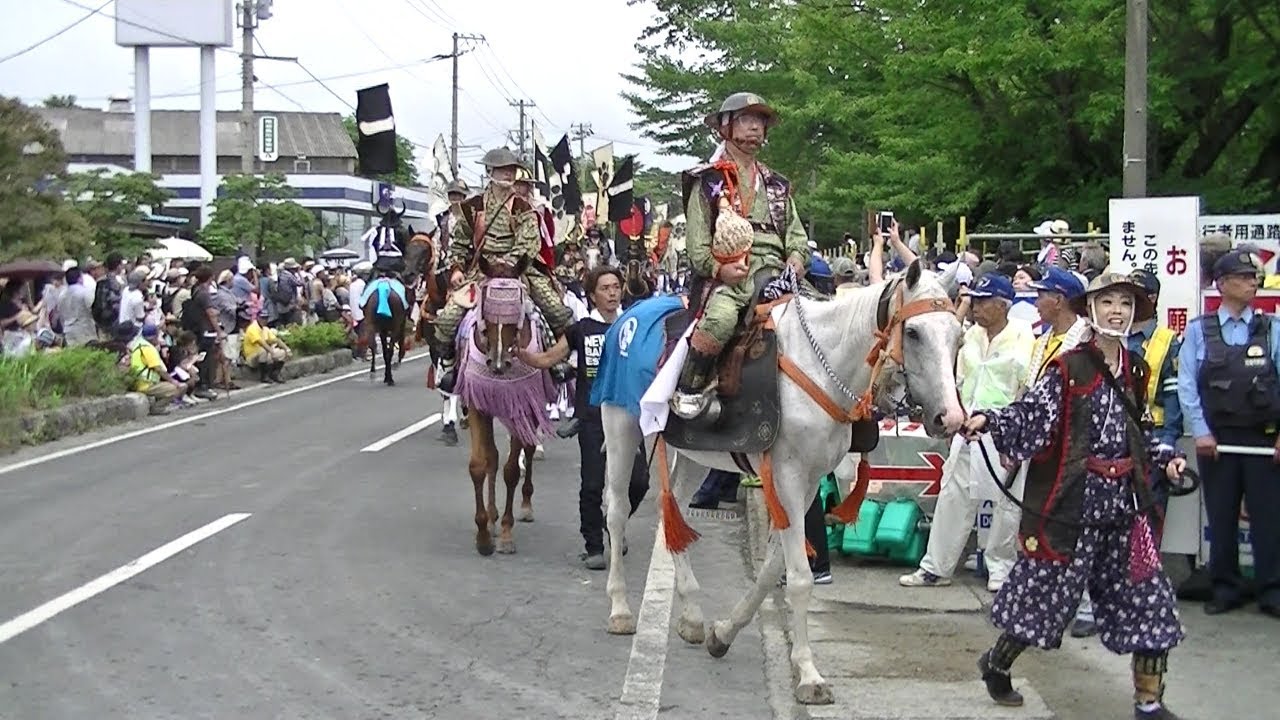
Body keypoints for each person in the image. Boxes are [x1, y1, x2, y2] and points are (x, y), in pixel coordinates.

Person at [963, 273, 1188, 720]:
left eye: (1125, 302)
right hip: (1071, 506)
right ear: (1091, 309)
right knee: (1042, 601)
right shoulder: (1068, 367)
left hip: (1126, 507)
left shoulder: (1136, 368)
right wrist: (991, 421)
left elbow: (1138, 431)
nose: (1117, 311)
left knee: (1149, 601)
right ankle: (997, 662)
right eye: (1107, 302)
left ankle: (1149, 700)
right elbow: (1034, 415)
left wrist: (1165, 457)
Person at [671, 92, 809, 422]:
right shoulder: (707, 180)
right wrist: (720, 268)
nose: (756, 129)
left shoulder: (777, 184)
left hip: (778, 273)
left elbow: (797, 235)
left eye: (760, 122)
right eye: (747, 120)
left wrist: (797, 260)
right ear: (726, 126)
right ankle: (690, 386)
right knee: (720, 319)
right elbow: (697, 247)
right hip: (733, 275)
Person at [900, 273, 1033, 591]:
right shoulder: (968, 336)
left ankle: (1000, 569)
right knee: (952, 496)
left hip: (1003, 428)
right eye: (974, 300)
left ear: (1003, 305)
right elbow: (954, 380)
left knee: (1006, 503)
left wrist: (1015, 430)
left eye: (984, 301)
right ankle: (936, 567)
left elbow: (1026, 385)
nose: (976, 307)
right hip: (967, 425)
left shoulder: (1023, 335)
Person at [516, 266, 649, 570]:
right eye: (605, 288)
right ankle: (594, 546)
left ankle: (613, 519)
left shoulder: (633, 325)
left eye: (616, 286)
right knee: (592, 484)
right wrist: (521, 355)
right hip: (592, 418)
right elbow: (549, 358)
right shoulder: (582, 329)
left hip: (629, 417)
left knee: (639, 481)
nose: (612, 293)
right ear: (592, 295)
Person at [1176, 249, 1280, 618]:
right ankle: (1225, 586)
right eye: (1243, 277)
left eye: (1254, 277)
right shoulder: (1198, 330)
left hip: (1264, 438)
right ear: (1222, 284)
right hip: (1216, 439)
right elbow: (1187, 385)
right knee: (1220, 517)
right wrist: (1201, 433)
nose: (1252, 282)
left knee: (1269, 518)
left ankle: (1271, 590)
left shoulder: (1272, 328)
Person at [433, 147, 573, 393]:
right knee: (446, 319)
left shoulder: (523, 206)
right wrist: (456, 268)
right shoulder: (470, 207)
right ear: (490, 171)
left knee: (557, 311)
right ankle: (449, 367)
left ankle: (558, 362)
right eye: (503, 169)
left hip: (518, 271)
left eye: (512, 170)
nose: (509, 174)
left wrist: (509, 263)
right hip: (481, 272)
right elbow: (460, 243)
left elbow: (530, 243)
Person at [1126, 269, 1184, 536]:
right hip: (1116, 440)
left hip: (1153, 436)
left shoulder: (1166, 340)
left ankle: (1145, 577)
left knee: (1147, 522)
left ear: (1152, 298)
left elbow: (1174, 395)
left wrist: (1168, 441)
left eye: (1135, 296)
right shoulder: (1113, 336)